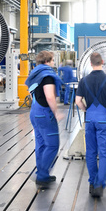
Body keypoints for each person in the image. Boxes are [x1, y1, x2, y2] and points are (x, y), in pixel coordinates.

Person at [75, 52, 106, 198]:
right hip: (104, 119)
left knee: (91, 153)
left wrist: (86, 110)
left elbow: (78, 101)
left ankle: (92, 183)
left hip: (90, 119)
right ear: (103, 61)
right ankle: (100, 184)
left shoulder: (83, 81)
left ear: (90, 63)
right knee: (104, 154)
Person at [25, 51, 64, 189]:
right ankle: (41, 175)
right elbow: (49, 96)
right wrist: (56, 112)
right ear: (48, 61)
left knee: (41, 144)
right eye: (53, 60)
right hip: (45, 113)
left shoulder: (35, 74)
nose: (53, 63)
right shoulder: (47, 76)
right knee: (52, 144)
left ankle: (43, 174)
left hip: (34, 112)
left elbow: (30, 92)